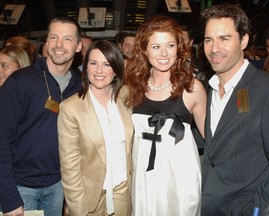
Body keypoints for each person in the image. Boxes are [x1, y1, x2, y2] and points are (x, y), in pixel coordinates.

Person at [199, 3, 269, 215]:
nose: (214, 48)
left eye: (224, 39)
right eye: (208, 40)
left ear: (244, 40)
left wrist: (255, 209)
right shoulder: (208, 88)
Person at [125, 15, 207, 216]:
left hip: (179, 174)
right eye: (156, 47)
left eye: (170, 45)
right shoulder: (133, 87)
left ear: (178, 48)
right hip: (144, 171)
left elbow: (211, 139)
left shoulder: (192, 88)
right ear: (144, 49)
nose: (164, 53)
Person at [0, 17, 82, 216]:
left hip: (59, 186)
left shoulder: (81, 85)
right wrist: (9, 198)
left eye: (67, 39)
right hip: (21, 188)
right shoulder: (20, 81)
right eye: (54, 37)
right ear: (46, 43)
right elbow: (1, 141)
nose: (59, 45)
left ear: (79, 46)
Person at [58, 39, 133, 216]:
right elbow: (70, 168)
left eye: (107, 64)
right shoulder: (71, 108)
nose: (99, 70)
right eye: (93, 63)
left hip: (123, 192)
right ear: (85, 68)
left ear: (116, 69)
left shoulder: (127, 97)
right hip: (89, 198)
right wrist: (77, 209)